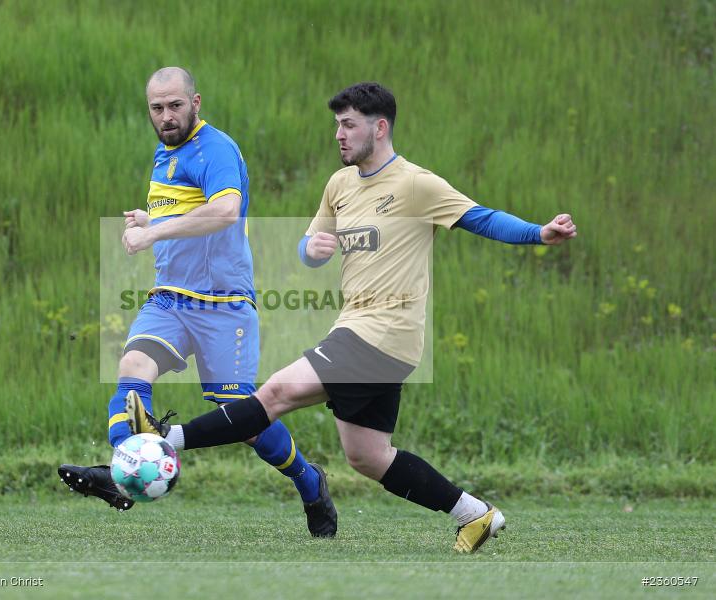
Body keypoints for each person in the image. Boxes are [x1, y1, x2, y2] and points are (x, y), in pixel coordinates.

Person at [126, 82, 577, 553]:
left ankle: (163, 440)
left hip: (383, 332)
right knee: (367, 456)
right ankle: (476, 514)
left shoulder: (415, 183)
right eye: (336, 125)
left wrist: (538, 234)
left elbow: (480, 217)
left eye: (348, 125)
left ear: (379, 128)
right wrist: (312, 249)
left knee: (275, 393)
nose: (338, 135)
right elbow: (310, 248)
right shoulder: (340, 185)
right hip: (363, 332)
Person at [59, 67, 336, 538]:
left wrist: (153, 232)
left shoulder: (216, 149)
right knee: (132, 372)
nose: (166, 116)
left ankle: (310, 484)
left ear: (196, 102)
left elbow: (225, 210)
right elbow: (185, 209)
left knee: (244, 418)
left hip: (223, 304)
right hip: (170, 299)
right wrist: (150, 216)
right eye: (156, 108)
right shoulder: (164, 153)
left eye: (175, 106)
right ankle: (121, 472)